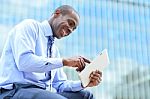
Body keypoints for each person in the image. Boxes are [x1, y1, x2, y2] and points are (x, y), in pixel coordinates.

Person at [0, 5, 102, 99]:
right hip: (14, 91)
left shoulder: (54, 51)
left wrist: (85, 83)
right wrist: (65, 61)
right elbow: (24, 62)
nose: (70, 30)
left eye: (73, 29)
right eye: (70, 23)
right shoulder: (30, 26)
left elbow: (60, 84)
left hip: (42, 92)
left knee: (86, 95)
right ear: (57, 13)